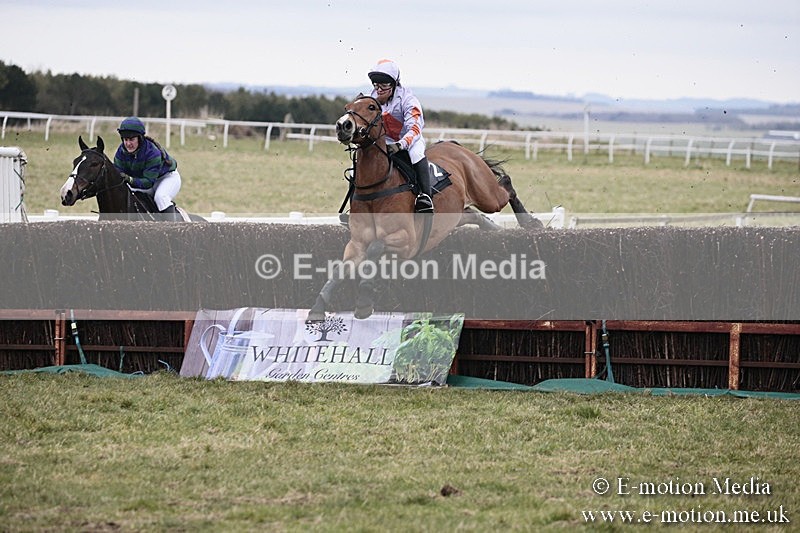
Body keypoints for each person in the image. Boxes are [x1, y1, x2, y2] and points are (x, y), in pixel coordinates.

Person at [368, 59, 434, 213]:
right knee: (357, 164)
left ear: (394, 84)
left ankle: (425, 197)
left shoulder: (408, 100)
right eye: (376, 85)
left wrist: (401, 144)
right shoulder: (370, 98)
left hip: (409, 140)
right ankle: (355, 202)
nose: (379, 89)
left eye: (384, 85)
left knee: (416, 153)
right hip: (385, 142)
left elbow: (415, 128)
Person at [113, 116, 182, 221]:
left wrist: (129, 179)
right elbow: (118, 172)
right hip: (142, 179)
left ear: (139, 138)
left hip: (166, 179)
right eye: (125, 139)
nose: (128, 144)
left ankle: (173, 232)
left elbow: (148, 183)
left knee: (160, 197)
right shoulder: (121, 151)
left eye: (131, 139)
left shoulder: (152, 153)